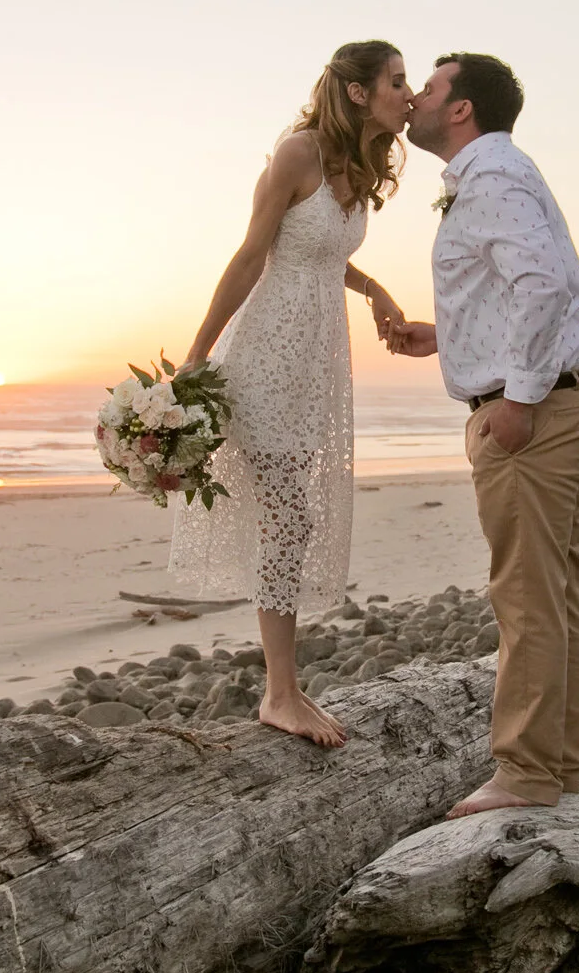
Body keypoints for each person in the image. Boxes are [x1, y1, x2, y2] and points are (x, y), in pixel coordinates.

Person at [169, 40, 413, 747]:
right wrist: (196, 353)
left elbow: (325, 253)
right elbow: (255, 253)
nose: (410, 91)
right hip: (270, 352)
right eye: (398, 80)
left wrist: (375, 288)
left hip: (317, 363)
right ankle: (280, 692)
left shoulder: (362, 163)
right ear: (360, 91)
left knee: (290, 516)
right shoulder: (297, 153)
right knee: (288, 517)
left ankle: (285, 685)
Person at [386, 52, 579, 817]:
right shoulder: (488, 177)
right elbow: (512, 288)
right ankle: (557, 766)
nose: (413, 97)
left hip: (539, 415)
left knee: (525, 598)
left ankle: (524, 774)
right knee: (553, 593)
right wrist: (442, 338)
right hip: (561, 401)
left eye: (430, 86)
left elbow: (543, 286)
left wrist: (515, 400)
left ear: (461, 109)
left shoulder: (491, 178)